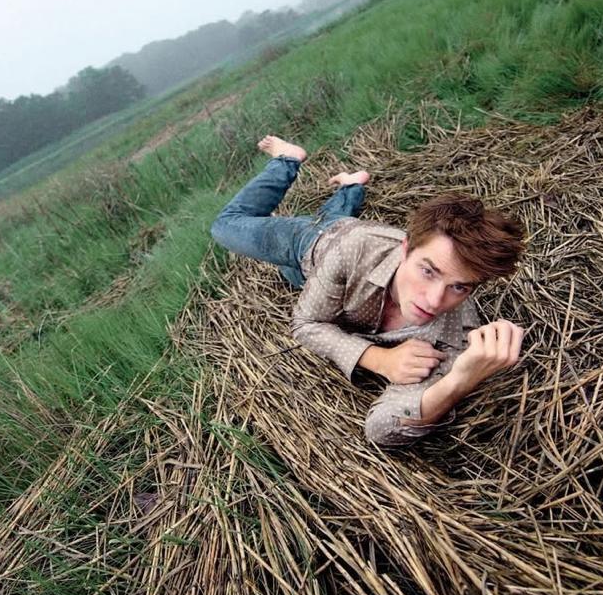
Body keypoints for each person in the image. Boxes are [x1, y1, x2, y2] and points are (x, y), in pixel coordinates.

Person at [210, 135, 526, 448]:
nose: (433, 300)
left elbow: (383, 429)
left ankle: (352, 186)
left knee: (300, 262)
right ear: (405, 249)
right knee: (226, 226)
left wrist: (460, 381)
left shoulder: (454, 335)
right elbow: (304, 323)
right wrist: (378, 359)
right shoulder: (355, 249)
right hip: (313, 241)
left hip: (325, 261)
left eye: (458, 286)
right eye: (428, 271)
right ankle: (288, 159)